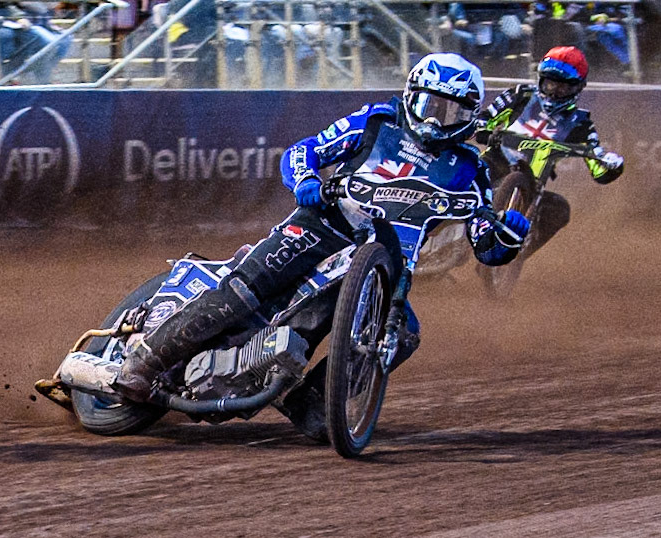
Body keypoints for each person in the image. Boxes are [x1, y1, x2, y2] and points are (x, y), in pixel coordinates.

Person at [110, 53, 530, 413]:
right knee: (248, 287)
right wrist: (306, 181)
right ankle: (143, 364)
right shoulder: (376, 122)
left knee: (401, 335)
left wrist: (508, 234)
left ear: (469, 116)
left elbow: (485, 244)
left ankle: (314, 408)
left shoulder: (470, 169)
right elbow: (302, 151)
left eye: (452, 112)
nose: (439, 119)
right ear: (411, 94)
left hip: (385, 266)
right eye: (431, 104)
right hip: (325, 225)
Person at [474, 46, 624, 253]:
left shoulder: (581, 124)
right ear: (541, 80)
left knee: (559, 209)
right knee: (465, 171)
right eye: (551, 83)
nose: (554, 91)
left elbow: (598, 167)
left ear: (578, 87)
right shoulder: (521, 95)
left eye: (562, 88)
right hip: (496, 161)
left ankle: (514, 256)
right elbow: (484, 118)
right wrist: (484, 129)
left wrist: (611, 166)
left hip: (534, 183)